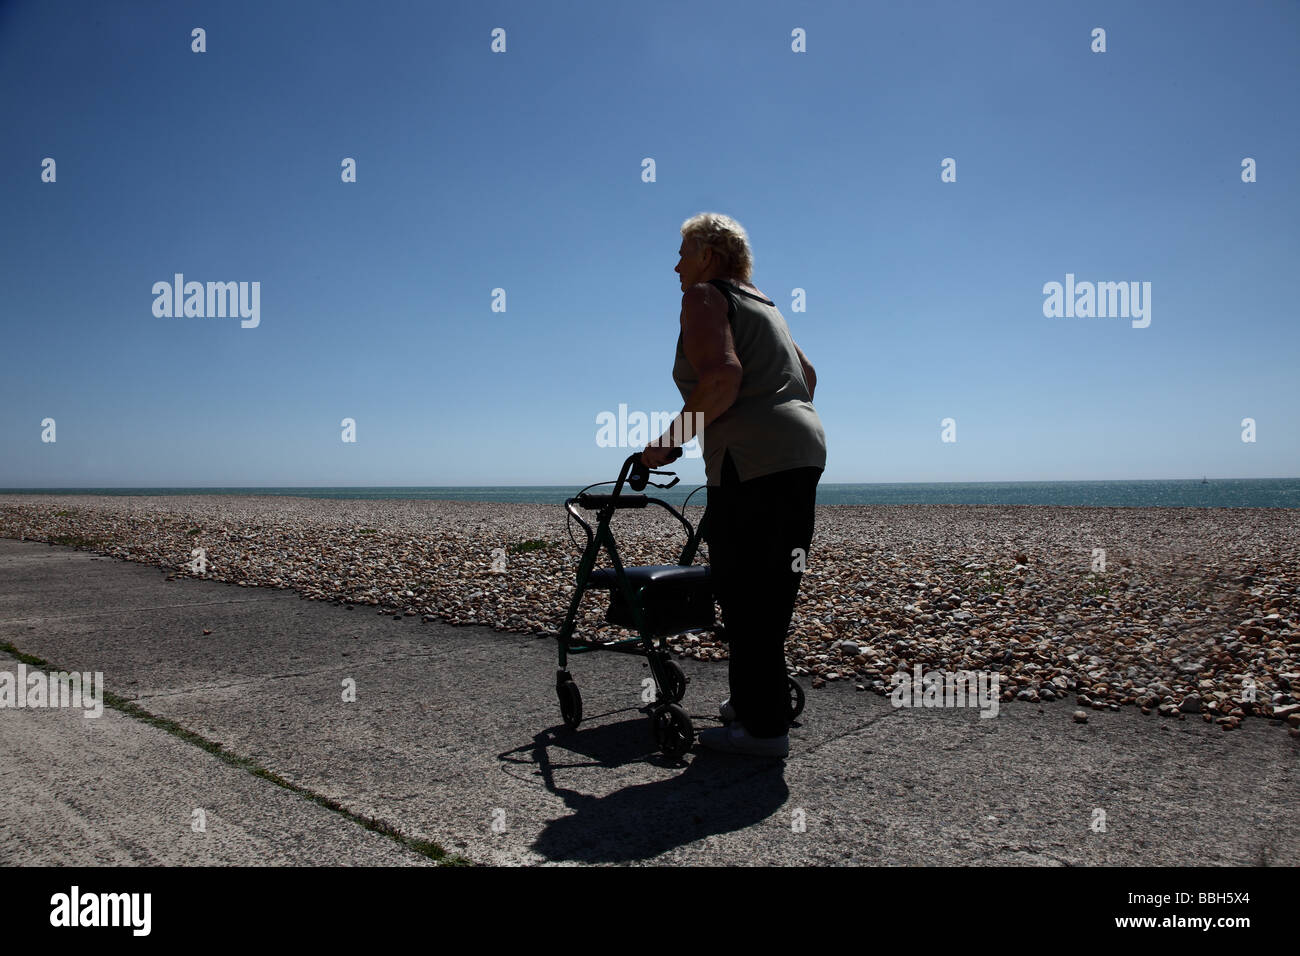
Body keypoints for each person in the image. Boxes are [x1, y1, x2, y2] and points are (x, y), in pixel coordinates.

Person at [642, 212, 826, 757]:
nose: (676, 264)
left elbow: (721, 377)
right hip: (800, 450)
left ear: (708, 254)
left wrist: (668, 443)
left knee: (744, 592)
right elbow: (808, 377)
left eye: (683, 252)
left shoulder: (703, 297)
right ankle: (754, 701)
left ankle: (762, 732)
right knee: (773, 589)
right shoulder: (764, 303)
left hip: (750, 460)